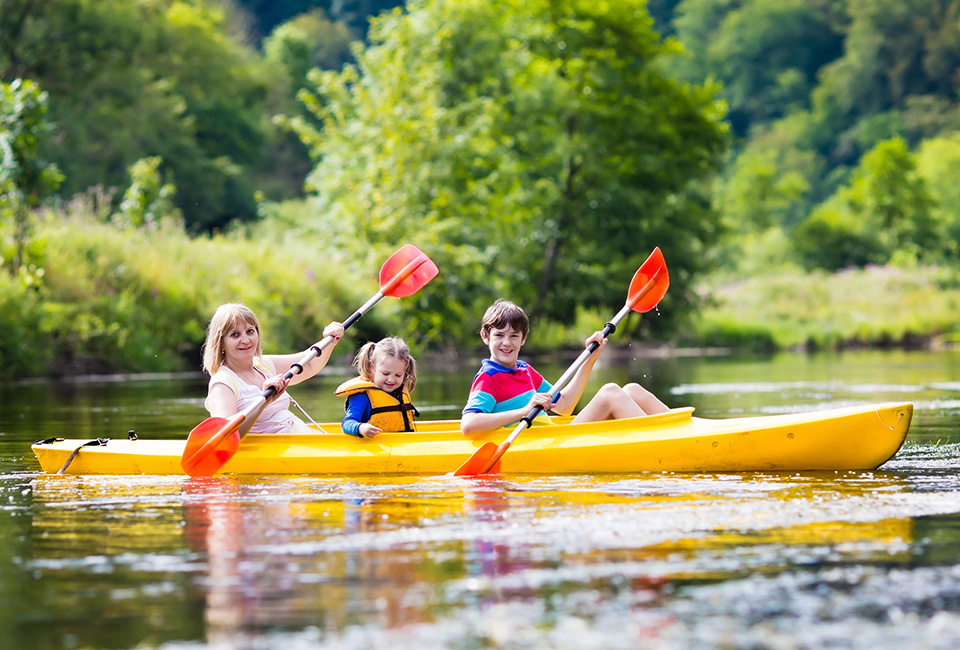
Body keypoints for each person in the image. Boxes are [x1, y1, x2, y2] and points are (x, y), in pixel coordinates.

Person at [460, 299, 669, 436]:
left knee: (632, 389)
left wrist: (591, 358)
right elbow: (468, 425)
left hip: (553, 438)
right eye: (499, 335)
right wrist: (523, 411)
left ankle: (683, 431)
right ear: (485, 337)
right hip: (539, 447)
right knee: (610, 393)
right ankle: (663, 443)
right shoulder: (488, 377)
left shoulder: (525, 371)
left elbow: (565, 406)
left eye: (514, 336)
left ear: (523, 339)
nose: (507, 342)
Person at [202, 303, 345, 433]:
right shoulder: (223, 382)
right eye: (235, 334)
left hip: (297, 436)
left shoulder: (264, 365)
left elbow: (309, 364)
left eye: (250, 331)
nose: (245, 340)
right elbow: (225, 435)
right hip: (271, 451)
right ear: (220, 343)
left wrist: (330, 340)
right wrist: (263, 401)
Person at [335, 337, 420, 438]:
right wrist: (360, 428)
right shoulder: (362, 396)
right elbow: (346, 423)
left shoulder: (399, 393)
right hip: (372, 450)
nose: (391, 380)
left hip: (401, 448)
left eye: (398, 375)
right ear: (372, 367)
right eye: (385, 373)